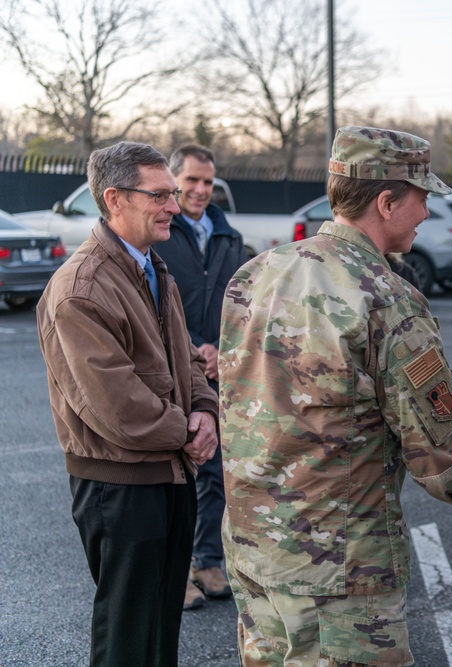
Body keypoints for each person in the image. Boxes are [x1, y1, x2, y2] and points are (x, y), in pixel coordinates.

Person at [218, 125, 452, 667]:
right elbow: (440, 457)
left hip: (252, 547)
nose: (427, 213)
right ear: (386, 202)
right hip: (338, 569)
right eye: (422, 199)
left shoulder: (256, 274)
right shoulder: (386, 299)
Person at [36, 141, 218, 666]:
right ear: (114, 199)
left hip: (170, 473)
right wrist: (190, 431)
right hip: (120, 487)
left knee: (160, 631)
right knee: (126, 637)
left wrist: (206, 410)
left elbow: (188, 362)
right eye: (160, 195)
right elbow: (116, 406)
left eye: (173, 193)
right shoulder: (81, 288)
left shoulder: (154, 270)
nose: (175, 206)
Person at [152, 144, 248, 610]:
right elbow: (153, 308)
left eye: (208, 182)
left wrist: (222, 351)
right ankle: (175, 574)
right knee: (176, 474)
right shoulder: (160, 234)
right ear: (173, 181)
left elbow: (243, 308)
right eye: (191, 180)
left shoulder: (229, 237)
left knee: (216, 473)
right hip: (170, 373)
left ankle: (207, 560)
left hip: (220, 374)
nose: (200, 190)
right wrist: (194, 349)